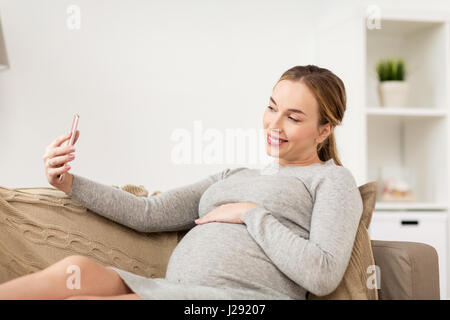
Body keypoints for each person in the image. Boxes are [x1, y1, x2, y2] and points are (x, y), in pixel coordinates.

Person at [0, 65, 363, 300]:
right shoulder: (233, 176)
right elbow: (148, 212)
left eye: (294, 117)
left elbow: (322, 273)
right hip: (172, 291)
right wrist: (69, 183)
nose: (274, 124)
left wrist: (253, 215)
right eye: (272, 108)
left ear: (324, 129)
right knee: (73, 271)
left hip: (242, 301)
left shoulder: (331, 180)